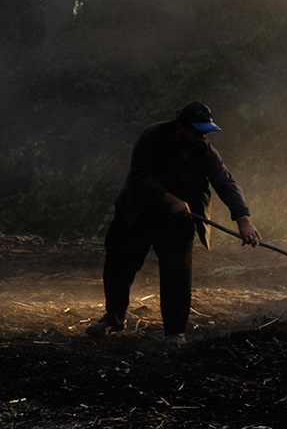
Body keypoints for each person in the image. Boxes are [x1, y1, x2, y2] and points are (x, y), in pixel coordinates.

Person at [88, 102, 260, 341]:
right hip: (138, 212)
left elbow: (226, 183)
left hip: (179, 219)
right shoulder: (153, 136)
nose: (202, 138)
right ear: (180, 128)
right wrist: (169, 199)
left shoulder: (205, 151)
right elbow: (139, 175)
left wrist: (243, 220)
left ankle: (175, 332)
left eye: (205, 133)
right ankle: (113, 319)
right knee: (119, 265)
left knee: (177, 274)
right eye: (197, 133)